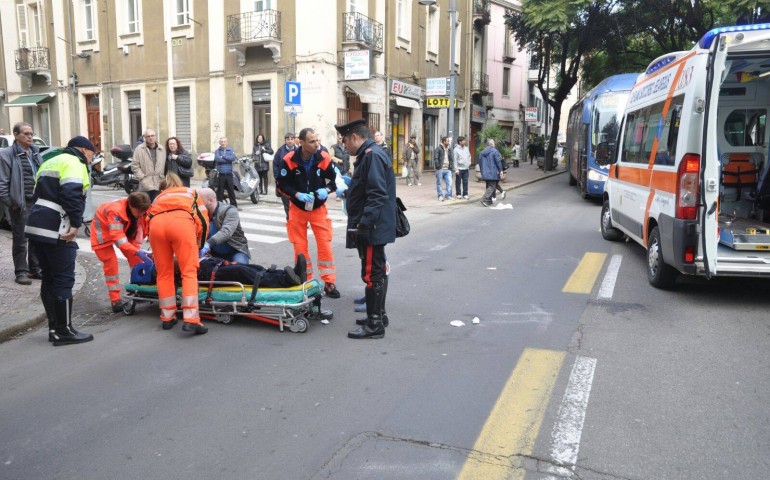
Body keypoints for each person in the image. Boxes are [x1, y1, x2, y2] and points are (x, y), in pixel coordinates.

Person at [25, 136, 96, 346]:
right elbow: (72, 194)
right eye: (92, 154)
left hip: (37, 223)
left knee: (48, 277)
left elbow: (37, 192)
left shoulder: (50, 161)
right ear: (84, 150)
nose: (92, 159)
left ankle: (54, 329)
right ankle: (64, 331)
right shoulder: (74, 162)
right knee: (64, 278)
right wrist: (75, 224)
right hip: (57, 226)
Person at [334, 118, 397, 339]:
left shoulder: (372, 156)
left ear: (354, 137)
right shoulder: (370, 155)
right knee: (376, 271)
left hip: (372, 228)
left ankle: (375, 325)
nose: (344, 146)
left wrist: (363, 224)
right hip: (373, 226)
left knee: (372, 275)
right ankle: (378, 315)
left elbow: (377, 194)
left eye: (344, 140)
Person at [275, 127, 340, 298]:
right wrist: (297, 194)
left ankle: (329, 283)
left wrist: (327, 189)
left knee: (325, 243)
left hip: (318, 208)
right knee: (299, 245)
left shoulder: (323, 157)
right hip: (297, 208)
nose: (317, 144)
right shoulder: (288, 160)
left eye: (317, 140)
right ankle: (306, 281)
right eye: (312, 141)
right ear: (301, 142)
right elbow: (281, 184)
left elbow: (333, 180)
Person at [146, 173, 210, 334]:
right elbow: (203, 220)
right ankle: (191, 319)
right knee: (188, 272)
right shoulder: (191, 192)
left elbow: (148, 219)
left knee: (164, 273)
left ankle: (167, 317)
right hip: (181, 224)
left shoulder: (158, 198)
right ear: (179, 183)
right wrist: (199, 244)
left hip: (156, 227)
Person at [91, 192, 152, 312]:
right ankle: (115, 301)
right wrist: (137, 251)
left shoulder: (141, 207)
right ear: (131, 206)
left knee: (137, 260)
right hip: (102, 235)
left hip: (123, 231)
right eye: (139, 212)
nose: (141, 214)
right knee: (111, 265)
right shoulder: (115, 211)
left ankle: (139, 290)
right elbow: (119, 240)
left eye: (143, 211)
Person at [0, 122, 43, 285]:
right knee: (20, 239)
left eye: (31, 133)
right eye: (26, 134)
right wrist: (11, 203)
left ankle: (34, 269)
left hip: (37, 201)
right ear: (16, 135)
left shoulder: (35, 153)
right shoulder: (7, 154)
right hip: (20, 203)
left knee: (36, 237)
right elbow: (2, 182)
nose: (30, 137)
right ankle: (21, 272)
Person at [198, 188, 250, 264]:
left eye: (200, 201)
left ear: (210, 201)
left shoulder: (230, 210)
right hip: (213, 253)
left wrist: (208, 244)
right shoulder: (200, 214)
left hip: (235, 251)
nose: (197, 204)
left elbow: (226, 231)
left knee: (238, 268)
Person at [198, 254, 306, 288]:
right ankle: (286, 280)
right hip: (203, 272)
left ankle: (289, 274)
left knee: (256, 268)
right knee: (240, 271)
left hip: (208, 262)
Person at [131, 129, 165, 202]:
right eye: (148, 136)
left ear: (155, 137)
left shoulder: (162, 149)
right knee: (144, 204)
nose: (151, 138)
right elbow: (134, 165)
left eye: (152, 136)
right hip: (145, 182)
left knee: (157, 205)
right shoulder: (139, 149)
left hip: (159, 182)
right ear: (145, 138)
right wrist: (141, 177)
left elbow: (165, 164)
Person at [274, 132, 297, 220]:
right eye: (288, 139)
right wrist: (277, 178)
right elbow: (275, 164)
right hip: (284, 181)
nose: (290, 141)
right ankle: (290, 218)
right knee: (286, 202)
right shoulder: (280, 151)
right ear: (285, 140)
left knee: (296, 202)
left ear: (294, 140)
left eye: (292, 139)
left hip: (296, 182)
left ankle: (298, 220)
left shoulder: (299, 150)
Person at [214, 136, 239, 210]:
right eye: (222, 142)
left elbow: (233, 158)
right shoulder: (217, 151)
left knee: (231, 190)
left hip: (229, 174)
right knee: (220, 191)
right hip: (221, 174)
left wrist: (223, 156)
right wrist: (226, 159)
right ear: (220, 143)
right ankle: (219, 206)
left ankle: (234, 206)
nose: (223, 143)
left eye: (224, 142)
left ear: (227, 142)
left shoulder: (230, 150)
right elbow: (218, 159)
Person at [479, 139, 505, 207]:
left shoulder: (482, 152)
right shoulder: (494, 151)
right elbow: (498, 161)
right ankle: (484, 199)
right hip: (493, 172)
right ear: (492, 144)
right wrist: (501, 170)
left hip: (485, 172)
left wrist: (482, 171)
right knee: (492, 186)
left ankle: (489, 201)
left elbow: (480, 162)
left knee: (488, 186)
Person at [433, 136, 454, 201]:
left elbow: (451, 159)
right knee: (439, 183)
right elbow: (435, 158)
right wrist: (438, 167)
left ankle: (448, 195)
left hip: (448, 169)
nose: (449, 142)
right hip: (440, 169)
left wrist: (451, 167)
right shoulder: (438, 148)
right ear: (444, 141)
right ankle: (440, 196)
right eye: (447, 141)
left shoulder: (449, 149)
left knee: (450, 182)